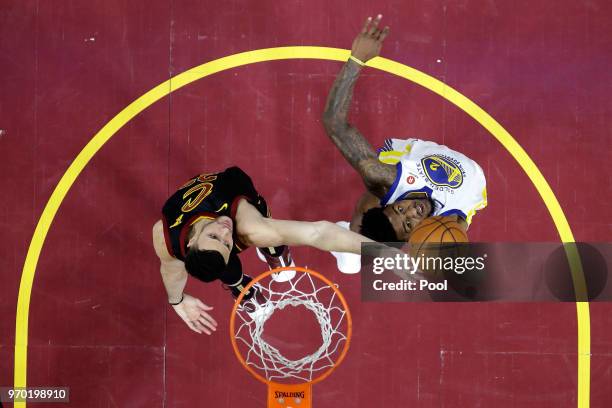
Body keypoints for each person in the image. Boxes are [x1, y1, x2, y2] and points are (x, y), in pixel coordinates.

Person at [322, 15, 487, 246]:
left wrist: (357, 59)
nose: (411, 211)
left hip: (408, 154)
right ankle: (356, 250)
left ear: (390, 203)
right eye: (409, 224)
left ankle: (351, 239)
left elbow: (334, 123)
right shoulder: (451, 226)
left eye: (399, 208)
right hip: (474, 180)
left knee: (366, 205)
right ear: (414, 237)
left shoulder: (386, 179)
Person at [152, 166, 372, 334]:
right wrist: (177, 301)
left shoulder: (248, 228)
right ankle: (241, 286)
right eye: (226, 243)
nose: (225, 231)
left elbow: (318, 233)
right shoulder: (165, 241)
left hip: (234, 190)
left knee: (267, 234)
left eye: (213, 236)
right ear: (189, 245)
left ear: (192, 242)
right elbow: (171, 270)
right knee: (222, 267)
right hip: (203, 208)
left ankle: (274, 251)